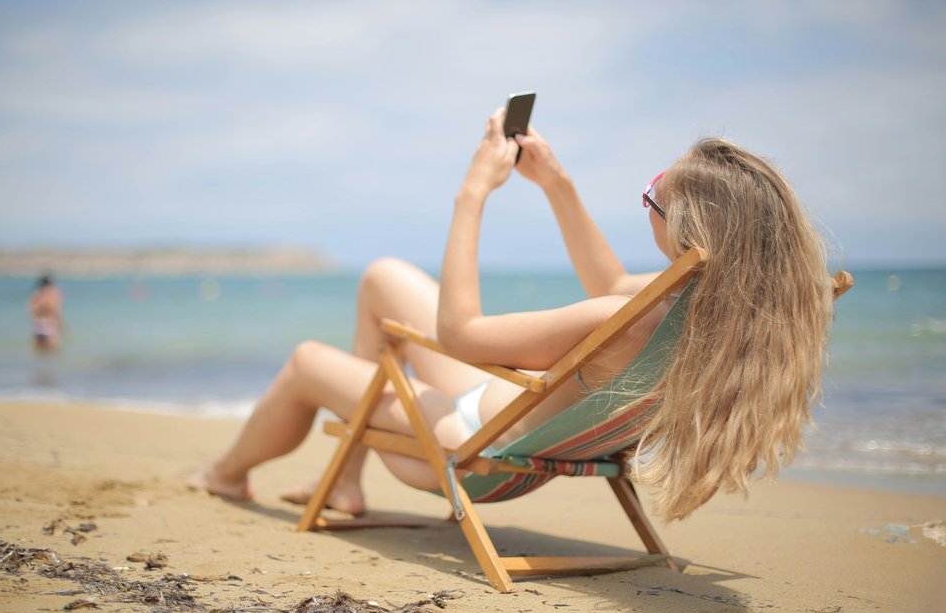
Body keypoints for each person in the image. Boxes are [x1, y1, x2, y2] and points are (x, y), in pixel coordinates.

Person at [189, 108, 833, 522]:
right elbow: (610, 280)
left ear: (688, 229)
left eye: (650, 198)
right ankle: (346, 484)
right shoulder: (708, 304)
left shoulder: (629, 316)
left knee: (307, 361)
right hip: (510, 420)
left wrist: (473, 191)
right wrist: (555, 181)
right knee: (382, 278)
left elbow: (460, 334)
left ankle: (225, 474)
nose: (645, 206)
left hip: (473, 455)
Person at [29, 274, 64, 353]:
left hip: (38, 322)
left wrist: (34, 322)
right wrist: (61, 325)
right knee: (52, 351)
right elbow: (56, 310)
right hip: (50, 322)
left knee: (37, 351)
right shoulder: (53, 293)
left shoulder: (36, 293)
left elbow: (32, 310)